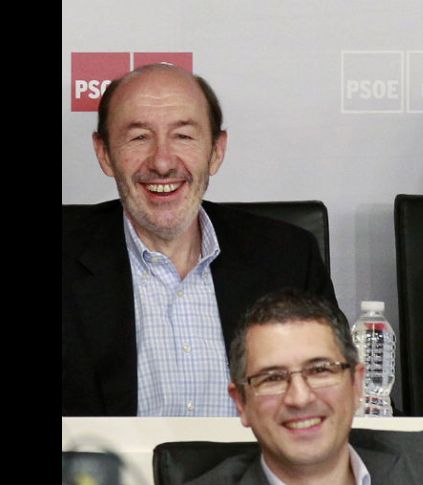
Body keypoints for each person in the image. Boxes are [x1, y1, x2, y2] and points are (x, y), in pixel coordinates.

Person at [62, 64, 336, 417]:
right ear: (104, 154)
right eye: (139, 137)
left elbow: (337, 400)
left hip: (252, 471)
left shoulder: (288, 257)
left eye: (184, 136)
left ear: (216, 151)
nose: (162, 162)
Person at [188, 288, 423, 485]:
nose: (300, 397)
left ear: (357, 383)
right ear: (241, 402)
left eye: (320, 370)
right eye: (273, 378)